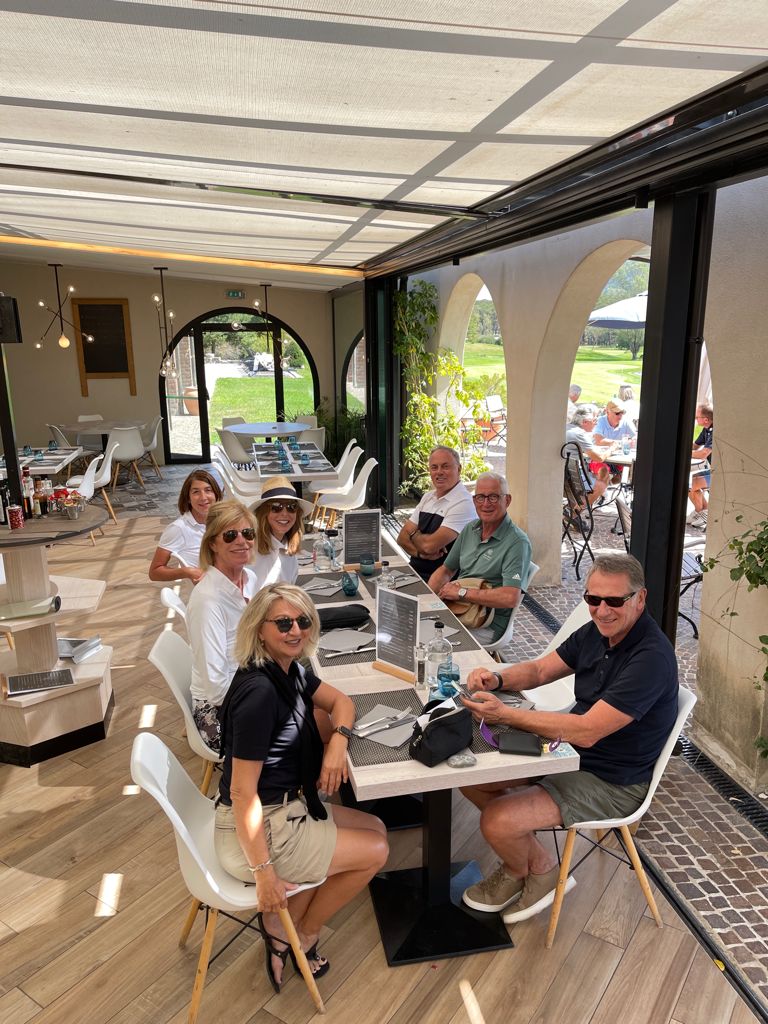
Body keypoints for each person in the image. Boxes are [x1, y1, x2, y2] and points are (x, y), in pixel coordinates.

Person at [458, 553, 678, 923]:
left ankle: (527, 870)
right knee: (471, 778)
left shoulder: (650, 658)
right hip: (569, 752)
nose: (602, 610)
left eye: (614, 601)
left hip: (613, 780)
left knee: (496, 820)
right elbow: (541, 670)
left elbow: (588, 732)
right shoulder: (597, 632)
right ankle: (535, 863)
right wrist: (498, 679)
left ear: (640, 598)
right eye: (593, 599)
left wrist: (504, 714)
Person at [214, 582, 388, 989]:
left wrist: (337, 744)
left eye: (303, 621)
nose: (295, 631)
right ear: (259, 629)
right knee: (376, 851)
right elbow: (242, 794)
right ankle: (301, 935)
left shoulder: (288, 670)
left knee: (377, 827)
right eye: (283, 623)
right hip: (261, 829)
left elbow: (342, 702)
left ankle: (285, 923)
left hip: (286, 809)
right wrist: (264, 875)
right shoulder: (260, 695)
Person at [187, 500, 259, 753]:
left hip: (251, 682)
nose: (242, 541)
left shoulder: (250, 579)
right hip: (218, 711)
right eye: (230, 535)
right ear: (212, 544)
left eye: (247, 533)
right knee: (301, 725)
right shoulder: (207, 601)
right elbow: (217, 690)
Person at [427, 472, 532, 646]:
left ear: (507, 500)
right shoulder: (470, 529)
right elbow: (446, 570)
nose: (485, 504)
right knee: (413, 623)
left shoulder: (517, 542)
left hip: (486, 623)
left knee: (427, 639)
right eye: (480, 497)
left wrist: (462, 593)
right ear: (474, 500)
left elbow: (510, 597)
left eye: (493, 497)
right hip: (458, 610)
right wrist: (428, 600)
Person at [396, 446, 477, 580]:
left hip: (443, 583)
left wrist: (414, 534)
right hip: (414, 574)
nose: (439, 472)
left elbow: (428, 546)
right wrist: (420, 554)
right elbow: (401, 538)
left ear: (459, 469)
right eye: (434, 467)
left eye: (445, 467)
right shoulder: (428, 497)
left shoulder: (464, 503)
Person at [148, 470, 222, 583]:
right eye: (196, 492)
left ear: (216, 494)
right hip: (210, 586)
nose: (203, 497)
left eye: (208, 490)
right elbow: (154, 572)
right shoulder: (178, 528)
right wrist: (187, 572)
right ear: (188, 498)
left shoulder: (222, 520)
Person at [250, 478, 313, 589]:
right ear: (264, 512)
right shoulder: (250, 550)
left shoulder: (289, 549)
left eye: (291, 507)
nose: (284, 513)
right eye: (276, 507)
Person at [565, 405, 610, 506]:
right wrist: (612, 448)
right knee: (601, 485)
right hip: (573, 479)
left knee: (604, 474)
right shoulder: (579, 434)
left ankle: (572, 511)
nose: (596, 423)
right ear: (585, 422)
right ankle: (573, 512)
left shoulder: (566, 428)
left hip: (565, 477)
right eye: (594, 420)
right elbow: (599, 458)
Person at [592, 399, 637, 483]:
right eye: (617, 413)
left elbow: (636, 437)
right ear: (607, 412)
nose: (620, 416)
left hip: (618, 459)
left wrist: (633, 440)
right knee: (603, 470)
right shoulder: (600, 421)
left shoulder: (626, 422)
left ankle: (614, 486)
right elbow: (598, 440)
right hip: (600, 458)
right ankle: (604, 489)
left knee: (633, 468)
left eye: (622, 412)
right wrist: (617, 443)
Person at [687, 403, 713, 529]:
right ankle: (702, 511)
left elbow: (703, 453)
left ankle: (703, 512)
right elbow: (695, 446)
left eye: (697, 417)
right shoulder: (706, 429)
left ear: (706, 420)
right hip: (711, 469)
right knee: (688, 483)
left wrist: (683, 452)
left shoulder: (715, 431)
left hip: (720, 472)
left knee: (692, 484)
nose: (696, 419)